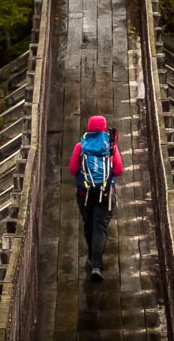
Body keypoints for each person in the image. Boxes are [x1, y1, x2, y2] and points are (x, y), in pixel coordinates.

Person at [69, 114, 123, 281]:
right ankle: (97, 266)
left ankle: (93, 258)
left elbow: (72, 169)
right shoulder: (111, 146)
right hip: (106, 193)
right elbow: (119, 170)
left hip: (85, 194)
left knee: (89, 224)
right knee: (100, 226)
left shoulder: (81, 146)